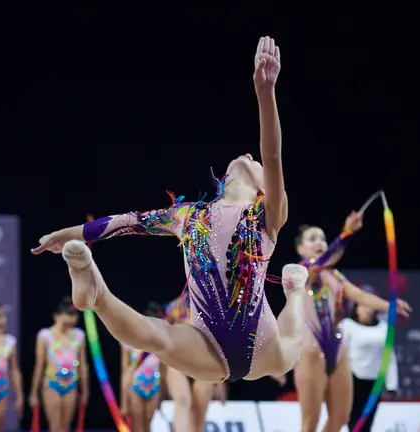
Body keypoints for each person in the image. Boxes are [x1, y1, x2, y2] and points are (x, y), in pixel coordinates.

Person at [32, 36, 311, 384]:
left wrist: (265, 92)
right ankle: (95, 291)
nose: (249, 157)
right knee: (158, 336)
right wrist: (66, 233)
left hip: (265, 347)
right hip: (206, 345)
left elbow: (271, 154)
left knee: (292, 346)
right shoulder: (189, 216)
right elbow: (127, 222)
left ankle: (295, 290)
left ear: (263, 187)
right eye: (244, 157)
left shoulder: (267, 214)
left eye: (253, 161)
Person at [287, 223, 411, 432]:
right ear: (300, 249)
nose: (320, 242)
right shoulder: (298, 273)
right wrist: (346, 233)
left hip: (338, 351)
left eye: (323, 238)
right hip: (310, 352)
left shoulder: (334, 276)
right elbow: (318, 265)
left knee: (341, 418)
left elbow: (360, 296)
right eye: (312, 238)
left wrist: (389, 305)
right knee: (310, 422)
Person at [161, 295, 227, 432]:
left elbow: (218, 344)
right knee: (182, 401)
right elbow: (164, 337)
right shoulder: (174, 307)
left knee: (200, 408)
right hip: (178, 362)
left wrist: (221, 381)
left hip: (203, 363)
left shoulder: (213, 309)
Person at [339, 294, 399, 432]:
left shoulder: (384, 328)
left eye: (370, 306)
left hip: (375, 381)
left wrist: (392, 384)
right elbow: (342, 354)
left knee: (368, 420)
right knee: (354, 420)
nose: (368, 310)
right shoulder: (348, 326)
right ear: (356, 308)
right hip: (353, 379)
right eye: (364, 306)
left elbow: (389, 357)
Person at [29, 297, 89, 432]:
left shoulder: (79, 336)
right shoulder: (45, 336)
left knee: (66, 427)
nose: (69, 326)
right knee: (55, 427)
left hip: (71, 384)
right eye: (65, 322)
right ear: (56, 317)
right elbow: (39, 365)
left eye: (72, 321)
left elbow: (82, 365)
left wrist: (85, 391)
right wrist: (33, 392)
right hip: (51, 384)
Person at [120, 302, 165, 432]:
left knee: (149, 425)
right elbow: (125, 372)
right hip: (135, 386)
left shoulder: (161, 344)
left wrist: (163, 395)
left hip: (154, 387)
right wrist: (124, 402)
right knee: (138, 426)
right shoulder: (130, 342)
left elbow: (163, 371)